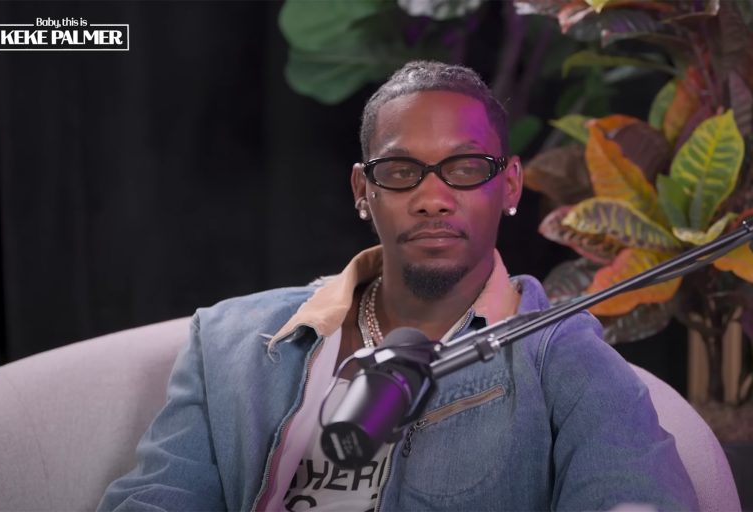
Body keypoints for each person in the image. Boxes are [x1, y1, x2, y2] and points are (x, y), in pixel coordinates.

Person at [98, 61, 698, 511]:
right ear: (364, 190)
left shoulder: (563, 359)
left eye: (466, 169)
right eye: (401, 171)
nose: (433, 198)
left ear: (510, 185)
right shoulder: (227, 340)